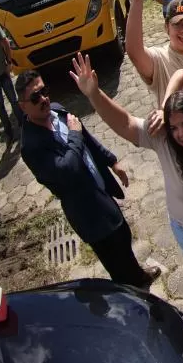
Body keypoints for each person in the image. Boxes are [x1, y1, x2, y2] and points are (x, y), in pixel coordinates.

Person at [70, 54, 183, 330]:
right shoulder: (163, 139)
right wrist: (94, 94)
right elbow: (125, 124)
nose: (180, 133)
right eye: (175, 126)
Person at [16, 69, 160, 288]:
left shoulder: (57, 111)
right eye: (35, 97)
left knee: (122, 235)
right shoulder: (31, 147)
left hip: (100, 192)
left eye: (44, 90)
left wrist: (112, 161)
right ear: (22, 106)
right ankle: (131, 293)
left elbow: (88, 139)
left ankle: (137, 274)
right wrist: (74, 134)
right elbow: (67, 170)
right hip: (87, 212)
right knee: (113, 258)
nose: (44, 99)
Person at [0, 17, 21, 144]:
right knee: (0, 106)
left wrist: (9, 62)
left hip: (3, 72)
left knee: (13, 100)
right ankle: (9, 132)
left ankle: (24, 125)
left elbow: (6, 43)